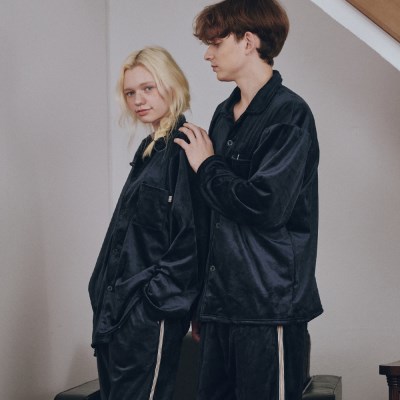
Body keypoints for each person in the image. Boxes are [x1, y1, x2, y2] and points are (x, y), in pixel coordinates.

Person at [174, 1, 323, 399]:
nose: (207, 54)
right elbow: (211, 214)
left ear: (248, 42)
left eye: (216, 43)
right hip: (218, 307)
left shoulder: (290, 114)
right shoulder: (223, 114)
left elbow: (265, 205)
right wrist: (201, 302)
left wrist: (207, 165)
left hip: (268, 307)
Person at [88, 46, 208, 400]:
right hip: (115, 312)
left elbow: (191, 238)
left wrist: (152, 305)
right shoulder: (149, 151)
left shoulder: (186, 146)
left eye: (148, 88)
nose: (138, 100)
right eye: (130, 92)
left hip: (147, 314)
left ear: (171, 85)